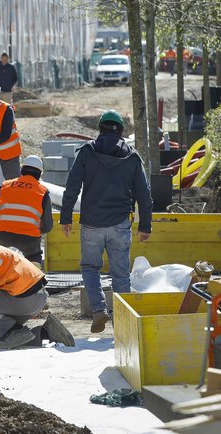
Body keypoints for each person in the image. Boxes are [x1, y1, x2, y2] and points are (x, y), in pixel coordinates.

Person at [59, 109, 152, 333]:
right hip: (120, 223)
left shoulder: (87, 153)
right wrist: (145, 225)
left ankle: (99, 310)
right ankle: (124, 323)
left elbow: (72, 187)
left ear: (100, 129)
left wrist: (66, 217)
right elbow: (144, 195)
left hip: (92, 223)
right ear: (120, 130)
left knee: (90, 268)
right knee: (121, 274)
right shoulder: (132, 157)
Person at [0, 155, 52, 265]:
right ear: (40, 174)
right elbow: (48, 226)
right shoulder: (43, 192)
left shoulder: (5, 186)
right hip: (28, 238)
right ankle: (34, 277)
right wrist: (35, 231)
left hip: (1, 234)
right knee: (34, 256)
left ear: (22, 170)